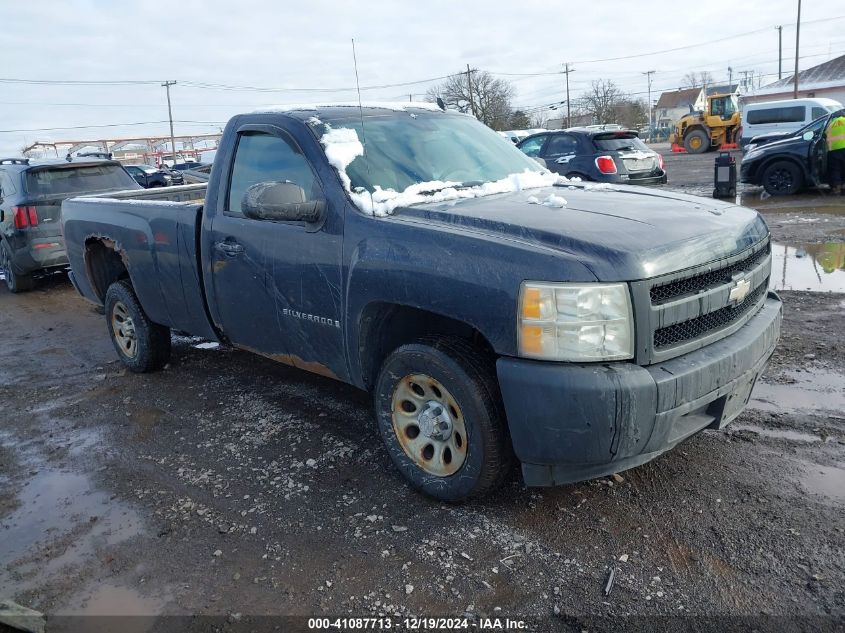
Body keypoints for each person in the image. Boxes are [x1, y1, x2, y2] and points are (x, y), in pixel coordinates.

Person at [827, 111, 845, 194]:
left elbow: (825, 135)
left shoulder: (831, 124)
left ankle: (837, 188)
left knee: (836, 169)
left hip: (834, 150)